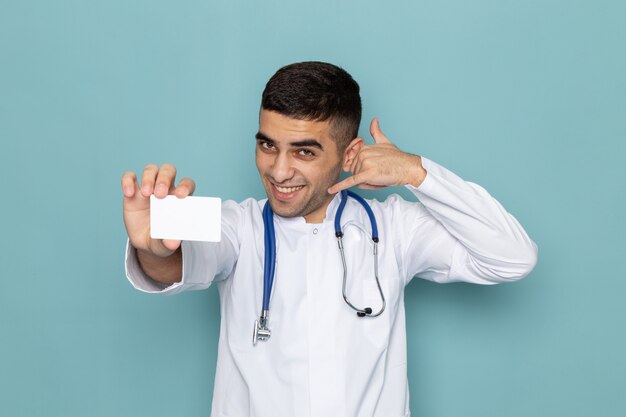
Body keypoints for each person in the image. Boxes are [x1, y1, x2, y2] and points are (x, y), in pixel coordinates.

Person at [121, 61, 537, 417]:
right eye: (268, 145)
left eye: (304, 152)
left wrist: (416, 172)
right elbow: (170, 263)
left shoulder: (392, 229)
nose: (279, 171)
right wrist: (151, 247)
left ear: (348, 155)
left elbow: (513, 257)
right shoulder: (237, 225)